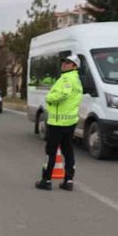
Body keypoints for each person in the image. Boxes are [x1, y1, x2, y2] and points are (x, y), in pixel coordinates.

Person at [36, 55, 83, 191]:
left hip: (58, 121)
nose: (64, 64)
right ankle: (68, 180)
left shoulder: (67, 78)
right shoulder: (76, 79)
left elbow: (64, 94)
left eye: (68, 63)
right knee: (68, 150)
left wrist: (49, 98)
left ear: (75, 66)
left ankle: (46, 180)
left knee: (51, 151)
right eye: (64, 62)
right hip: (69, 121)